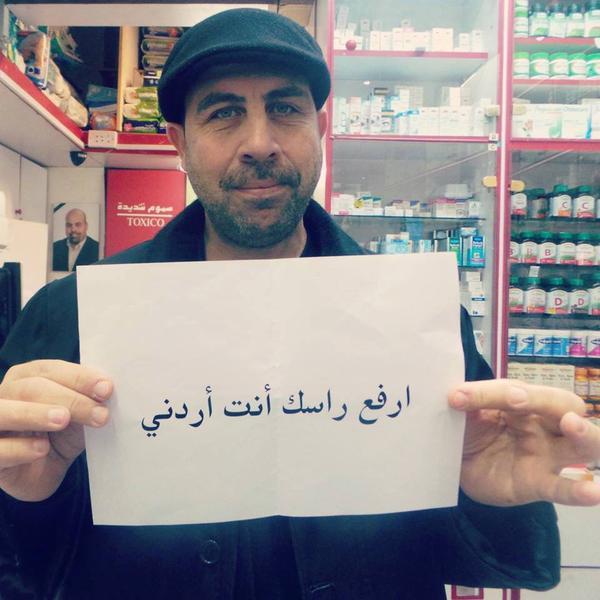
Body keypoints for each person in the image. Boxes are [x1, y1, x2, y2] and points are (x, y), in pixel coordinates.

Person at [0, 8, 599, 599]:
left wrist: (491, 499)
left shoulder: (417, 321)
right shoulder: (68, 314)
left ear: (319, 127)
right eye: (223, 113)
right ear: (180, 142)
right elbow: (24, 569)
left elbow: (471, 555)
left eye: (285, 109)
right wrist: (26, 496)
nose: (259, 144)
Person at [52, 207, 99, 272]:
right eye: (69, 225)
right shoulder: (54, 248)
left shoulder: (97, 249)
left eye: (78, 225)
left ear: (86, 226)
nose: (73, 229)